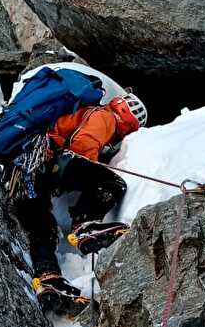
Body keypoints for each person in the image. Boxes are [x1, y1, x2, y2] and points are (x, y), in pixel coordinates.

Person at [13, 92, 147, 314]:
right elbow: (84, 145)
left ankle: (48, 278)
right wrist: (91, 171)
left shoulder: (84, 112)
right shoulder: (105, 117)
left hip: (22, 172)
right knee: (112, 182)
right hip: (52, 163)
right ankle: (85, 226)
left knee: (43, 228)